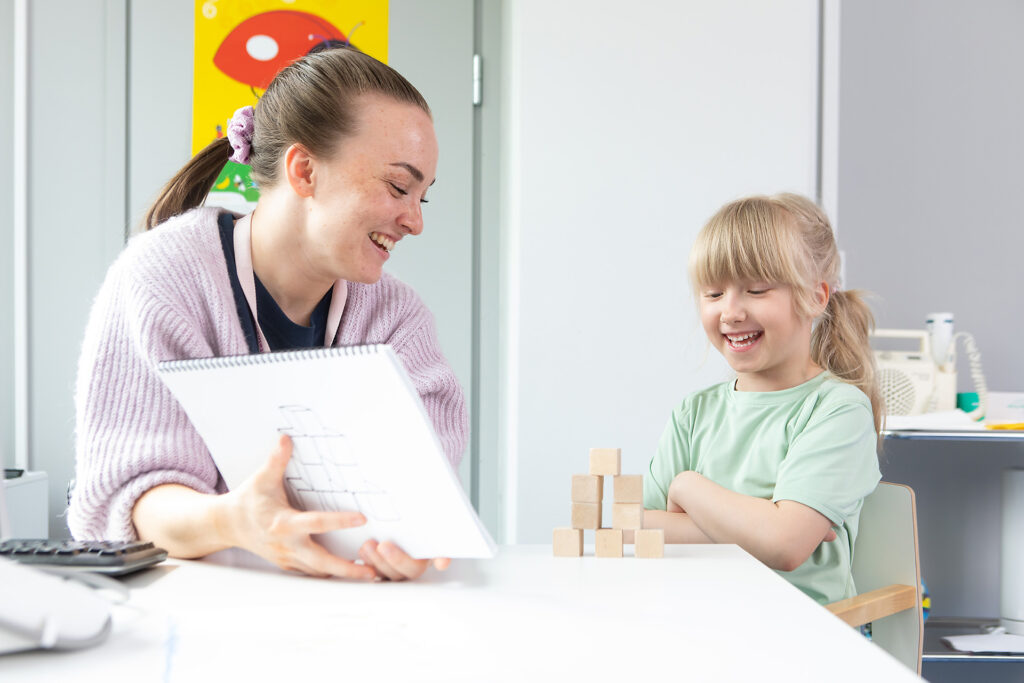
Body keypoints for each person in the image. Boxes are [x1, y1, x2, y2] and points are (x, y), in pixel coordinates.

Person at [69, 47, 466, 582]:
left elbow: (424, 489)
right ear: (304, 170)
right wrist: (232, 520)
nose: (414, 222)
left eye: (424, 197)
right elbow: (130, 498)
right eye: (399, 187)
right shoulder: (162, 278)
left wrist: (414, 535)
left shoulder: (399, 321)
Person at [643, 193, 883, 604]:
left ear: (816, 297)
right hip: (698, 624)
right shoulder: (694, 413)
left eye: (756, 289)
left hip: (797, 643)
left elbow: (784, 546)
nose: (730, 312)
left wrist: (687, 488)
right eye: (713, 294)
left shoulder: (838, 410)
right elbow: (634, 528)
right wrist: (759, 527)